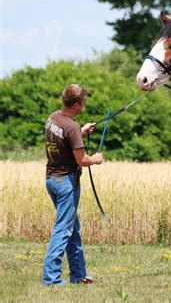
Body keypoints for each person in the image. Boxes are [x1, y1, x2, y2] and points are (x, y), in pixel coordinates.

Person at [43, 84, 103, 286]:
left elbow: (64, 139)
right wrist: (96, 159)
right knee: (63, 229)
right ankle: (51, 279)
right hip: (66, 183)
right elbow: (82, 160)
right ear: (77, 105)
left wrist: (82, 131)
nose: (84, 105)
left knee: (71, 228)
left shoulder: (54, 118)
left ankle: (78, 275)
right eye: (84, 102)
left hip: (52, 180)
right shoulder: (72, 127)